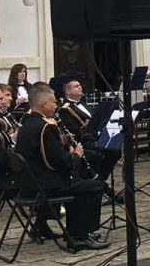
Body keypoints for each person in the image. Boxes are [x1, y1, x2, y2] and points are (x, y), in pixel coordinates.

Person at [16, 84, 108, 250]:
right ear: (44, 104)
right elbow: (61, 163)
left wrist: (61, 142)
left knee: (80, 182)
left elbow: (44, 153)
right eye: (53, 102)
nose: (56, 105)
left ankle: (76, 230)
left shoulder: (27, 124)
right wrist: (76, 155)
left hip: (29, 182)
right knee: (95, 186)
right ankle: (79, 235)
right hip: (45, 185)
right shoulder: (46, 127)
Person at [59, 77, 120, 183]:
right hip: (83, 141)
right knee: (107, 153)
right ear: (68, 91)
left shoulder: (83, 104)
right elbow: (73, 130)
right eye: (76, 86)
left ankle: (100, 179)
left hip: (94, 137)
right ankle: (98, 181)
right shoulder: (65, 109)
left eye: (80, 85)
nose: (80, 87)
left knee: (115, 149)